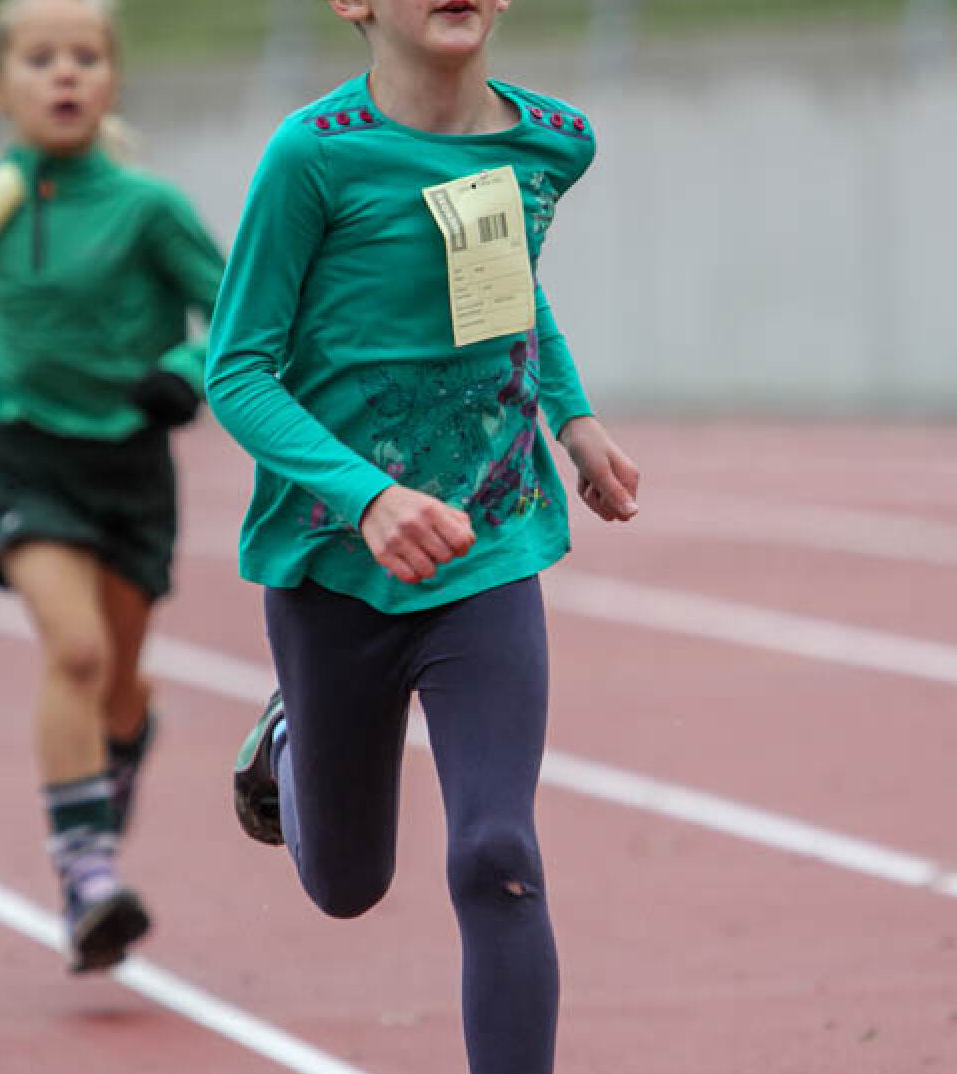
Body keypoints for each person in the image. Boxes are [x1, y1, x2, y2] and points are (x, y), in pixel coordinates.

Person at [206, 0, 640, 1070]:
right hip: (335, 564)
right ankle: (291, 742)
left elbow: (506, 287)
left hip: (488, 548)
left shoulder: (553, 139)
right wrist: (368, 498)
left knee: (497, 853)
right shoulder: (313, 156)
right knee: (347, 884)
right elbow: (237, 371)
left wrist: (572, 418)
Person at [0, 0, 225, 972]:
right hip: (29, 457)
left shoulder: (150, 209)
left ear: (113, 80)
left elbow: (236, 315)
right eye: (40, 59)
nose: (65, 73)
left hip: (132, 465)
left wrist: (186, 372)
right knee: (74, 651)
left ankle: (117, 756)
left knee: (118, 687)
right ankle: (87, 873)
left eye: (85, 56)